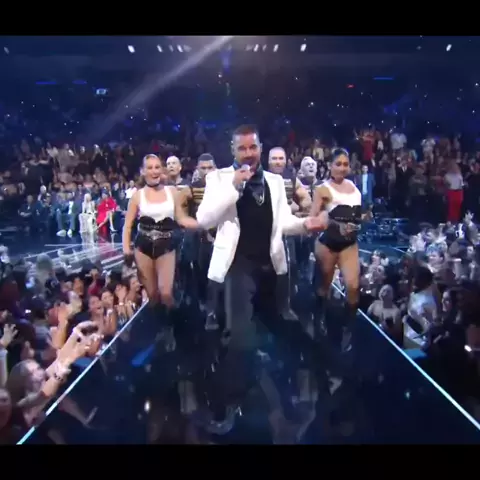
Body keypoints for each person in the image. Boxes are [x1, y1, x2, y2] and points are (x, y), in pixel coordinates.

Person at [196, 124, 325, 350]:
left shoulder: (275, 181)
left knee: (273, 336)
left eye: (253, 147)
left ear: (261, 148)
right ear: (233, 150)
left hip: (271, 265)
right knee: (240, 338)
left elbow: (283, 222)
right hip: (237, 266)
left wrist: (305, 224)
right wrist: (234, 186)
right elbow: (204, 220)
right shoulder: (218, 178)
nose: (248, 153)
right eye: (242, 148)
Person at [122, 154, 198, 311]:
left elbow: (181, 219)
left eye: (157, 167)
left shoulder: (172, 192)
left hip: (166, 246)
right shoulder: (137, 196)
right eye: (150, 168)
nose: (154, 171)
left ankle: (173, 321)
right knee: (153, 296)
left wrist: (203, 224)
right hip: (143, 247)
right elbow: (127, 225)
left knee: (166, 294)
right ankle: (158, 323)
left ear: (162, 170)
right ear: (143, 171)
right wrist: (126, 249)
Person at [310, 148, 366, 351]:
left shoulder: (355, 187)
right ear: (330, 166)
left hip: (349, 244)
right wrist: (333, 223)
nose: (342, 168)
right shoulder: (322, 189)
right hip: (328, 243)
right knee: (323, 288)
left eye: (345, 164)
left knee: (353, 287)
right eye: (338, 164)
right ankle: (318, 320)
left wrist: (360, 221)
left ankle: (348, 329)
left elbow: (359, 215)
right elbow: (313, 218)